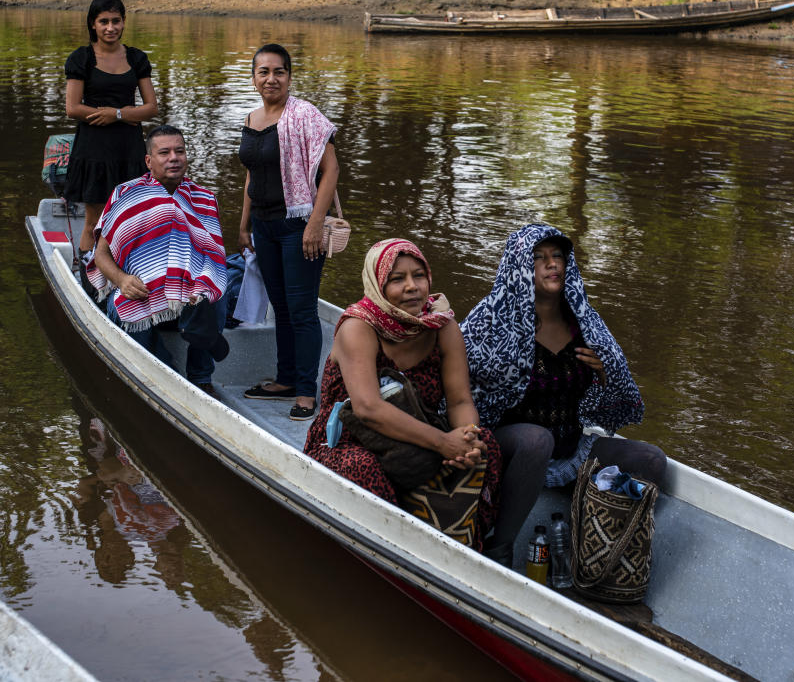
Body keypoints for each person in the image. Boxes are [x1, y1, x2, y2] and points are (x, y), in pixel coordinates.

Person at [461, 223, 667, 563]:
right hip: (512, 446)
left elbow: (619, 400)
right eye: (539, 258)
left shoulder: (584, 322)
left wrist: (604, 372)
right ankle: (499, 548)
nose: (552, 264)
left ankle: (601, 553)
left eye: (557, 256)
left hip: (570, 449)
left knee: (652, 460)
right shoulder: (493, 318)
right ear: (519, 268)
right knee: (537, 440)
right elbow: (461, 386)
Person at [303, 239, 501, 550]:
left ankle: (467, 548)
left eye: (418, 276)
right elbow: (368, 408)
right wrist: (443, 443)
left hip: (420, 432)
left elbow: (460, 401)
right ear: (377, 284)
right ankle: (395, 548)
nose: (412, 287)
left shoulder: (442, 327)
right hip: (350, 441)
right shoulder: (359, 327)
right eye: (397, 279)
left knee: (485, 446)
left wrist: (465, 438)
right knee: (362, 466)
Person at [237, 43, 340, 421]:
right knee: (280, 308)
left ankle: (306, 391)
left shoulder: (304, 116)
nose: (271, 79)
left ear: (289, 77)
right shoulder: (251, 118)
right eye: (263, 72)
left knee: (301, 310)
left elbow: (331, 170)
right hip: (264, 226)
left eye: (278, 71)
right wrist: (244, 224)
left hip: (298, 226)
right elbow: (252, 174)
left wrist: (314, 221)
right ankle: (284, 379)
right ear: (253, 78)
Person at [90, 125, 228, 395]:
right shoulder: (126, 194)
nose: (173, 158)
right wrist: (122, 279)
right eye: (164, 152)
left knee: (218, 292)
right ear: (148, 161)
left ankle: (201, 377)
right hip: (142, 292)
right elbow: (101, 254)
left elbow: (213, 256)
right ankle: (164, 369)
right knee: (121, 307)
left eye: (179, 151)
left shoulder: (204, 198)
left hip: (187, 300)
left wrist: (203, 284)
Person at [64, 0, 159, 269]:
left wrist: (116, 114)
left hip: (129, 148)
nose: (110, 27)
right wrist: (123, 115)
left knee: (131, 216)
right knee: (94, 220)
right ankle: (86, 276)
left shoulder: (136, 58)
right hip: (94, 149)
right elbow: (72, 108)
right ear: (93, 24)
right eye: (103, 21)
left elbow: (151, 107)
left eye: (116, 21)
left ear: (124, 22)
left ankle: (128, 273)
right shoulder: (81, 58)